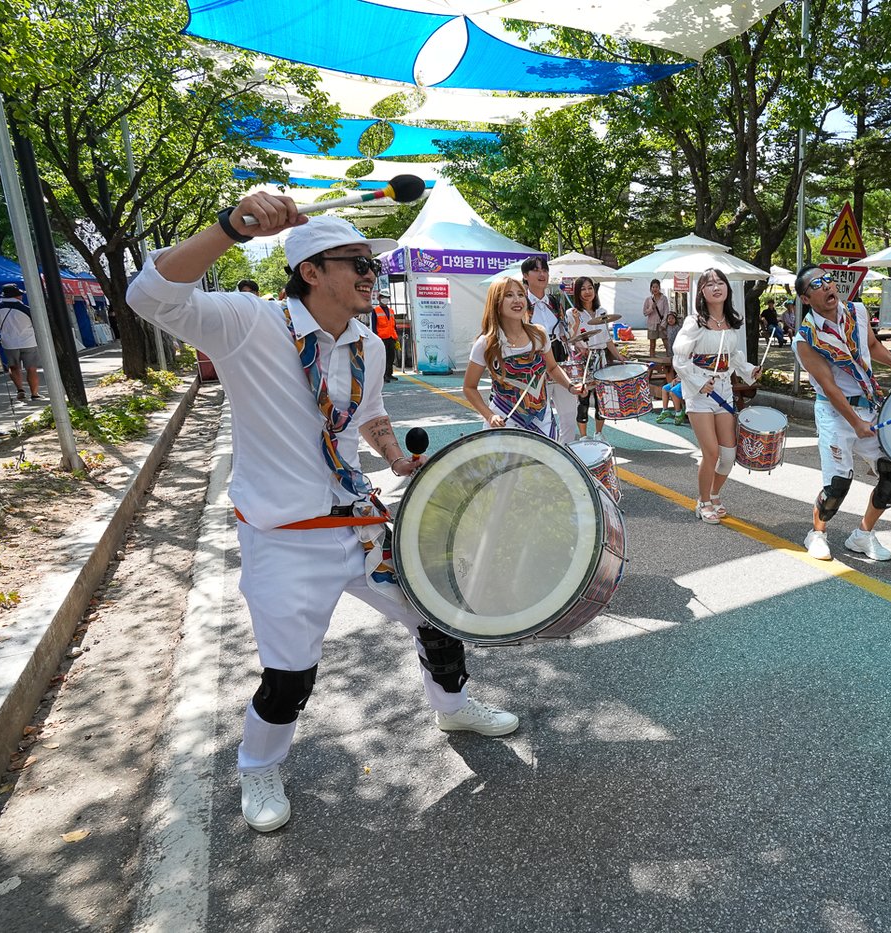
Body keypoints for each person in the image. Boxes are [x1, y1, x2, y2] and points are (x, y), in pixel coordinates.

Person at [127, 200, 519, 834]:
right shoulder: (248, 323)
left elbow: (366, 415)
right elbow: (150, 295)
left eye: (374, 264)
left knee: (439, 612)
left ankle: (452, 705)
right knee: (289, 677)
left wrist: (395, 457)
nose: (372, 273)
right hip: (283, 539)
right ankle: (258, 764)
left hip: (359, 524)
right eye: (358, 264)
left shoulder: (367, 341)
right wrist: (231, 227)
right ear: (310, 271)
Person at [793, 265, 891, 562]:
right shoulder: (806, 338)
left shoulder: (857, 312)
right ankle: (817, 533)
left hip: (868, 406)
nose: (827, 286)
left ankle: (862, 535)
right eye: (817, 284)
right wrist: (855, 422)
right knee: (837, 487)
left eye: (828, 280)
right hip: (836, 413)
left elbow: (871, 344)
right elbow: (830, 387)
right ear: (806, 299)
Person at [672, 268, 759, 523]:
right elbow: (679, 359)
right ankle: (703, 501)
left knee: (729, 454)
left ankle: (715, 492)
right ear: (702, 291)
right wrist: (700, 382)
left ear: (727, 289)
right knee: (710, 452)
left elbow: (733, 357)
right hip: (699, 393)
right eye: (710, 284)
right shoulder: (694, 322)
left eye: (720, 282)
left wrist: (749, 370)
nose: (716, 287)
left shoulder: (732, 322)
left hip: (724, 390)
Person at [463, 277, 579, 434]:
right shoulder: (486, 343)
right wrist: (490, 416)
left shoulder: (539, 334)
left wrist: (571, 387)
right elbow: (469, 387)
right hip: (504, 423)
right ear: (496, 302)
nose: (517, 300)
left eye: (520, 294)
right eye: (509, 295)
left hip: (542, 422)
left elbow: (552, 367)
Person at [522, 256, 580, 442]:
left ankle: (565, 455)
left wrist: (575, 324)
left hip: (560, 363)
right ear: (525, 276)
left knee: (569, 417)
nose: (542, 274)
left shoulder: (555, 302)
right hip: (534, 367)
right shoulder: (520, 303)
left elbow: (566, 335)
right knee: (541, 418)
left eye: (545, 270)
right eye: (536, 270)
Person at [571, 276, 627, 440]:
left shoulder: (602, 312)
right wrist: (575, 323)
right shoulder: (573, 312)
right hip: (584, 359)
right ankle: (583, 436)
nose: (587, 292)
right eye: (583, 289)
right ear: (577, 292)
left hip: (601, 357)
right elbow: (570, 338)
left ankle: (599, 433)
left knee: (602, 397)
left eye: (590, 288)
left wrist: (618, 356)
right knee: (584, 398)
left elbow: (607, 339)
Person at [0, 285, 41, 402]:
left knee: (13, 367)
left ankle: (20, 390)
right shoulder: (27, 309)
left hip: (8, 343)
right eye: (20, 294)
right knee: (31, 369)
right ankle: (34, 394)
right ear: (16, 296)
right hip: (28, 342)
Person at [369, 297, 399, 382]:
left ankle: (389, 374)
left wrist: (396, 336)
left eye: (387, 298)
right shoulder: (376, 310)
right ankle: (383, 375)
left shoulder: (391, 311)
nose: (385, 300)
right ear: (379, 299)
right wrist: (375, 338)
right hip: (382, 337)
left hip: (391, 337)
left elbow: (394, 324)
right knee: (383, 357)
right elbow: (374, 326)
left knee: (391, 357)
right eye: (383, 298)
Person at [653, 357, 686, 425]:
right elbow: (679, 374)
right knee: (665, 388)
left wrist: (681, 380)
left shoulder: (687, 361)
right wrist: (676, 379)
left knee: (673, 391)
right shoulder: (678, 361)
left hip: (686, 382)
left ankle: (678, 413)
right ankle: (665, 410)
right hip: (679, 381)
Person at [642, 279, 670, 357]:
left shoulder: (664, 298)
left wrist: (664, 323)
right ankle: (652, 361)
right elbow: (644, 312)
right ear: (651, 288)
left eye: (656, 287)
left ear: (659, 288)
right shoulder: (648, 299)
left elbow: (666, 311)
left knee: (666, 343)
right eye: (653, 287)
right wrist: (651, 308)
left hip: (661, 324)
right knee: (652, 345)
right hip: (652, 324)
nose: (655, 289)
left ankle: (670, 359)